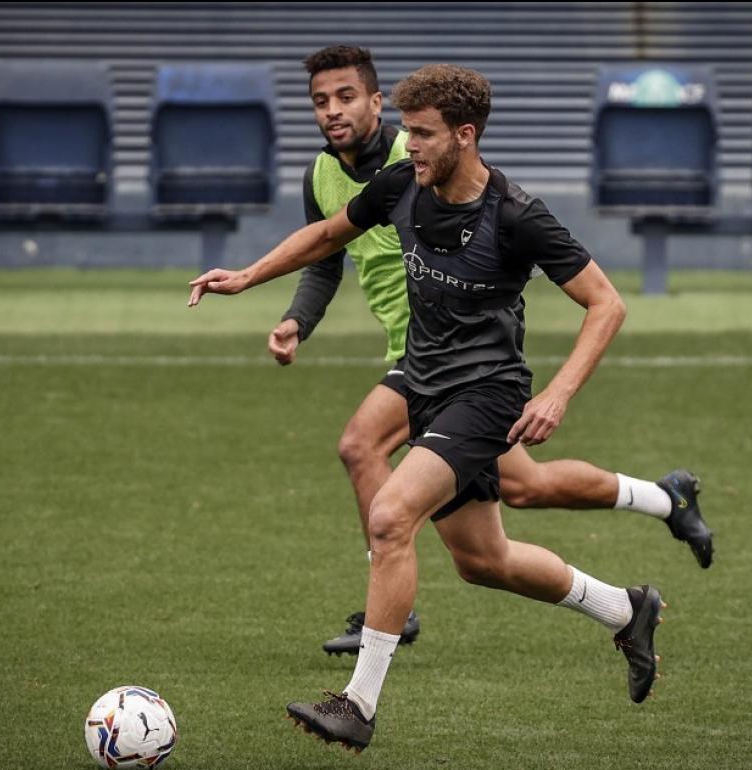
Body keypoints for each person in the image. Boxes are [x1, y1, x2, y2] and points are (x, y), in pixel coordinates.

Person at [188, 63, 700, 754]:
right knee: (483, 560)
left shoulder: (517, 215)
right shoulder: (402, 183)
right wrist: (248, 277)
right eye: (408, 132)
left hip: (485, 394)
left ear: (465, 135)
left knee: (390, 515)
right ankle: (625, 609)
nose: (411, 146)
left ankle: (358, 705)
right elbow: (329, 235)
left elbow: (606, 304)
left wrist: (557, 393)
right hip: (423, 385)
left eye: (424, 134)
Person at [269, 46, 713, 657]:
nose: (332, 111)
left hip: (459, 363)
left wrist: (556, 392)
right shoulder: (324, 175)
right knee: (514, 507)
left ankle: (388, 611)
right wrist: (296, 318)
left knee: (362, 447)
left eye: (346, 97)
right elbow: (325, 253)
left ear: (376, 101)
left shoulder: (420, 157)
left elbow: (596, 295)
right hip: (422, 355)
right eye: (320, 101)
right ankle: (663, 506)